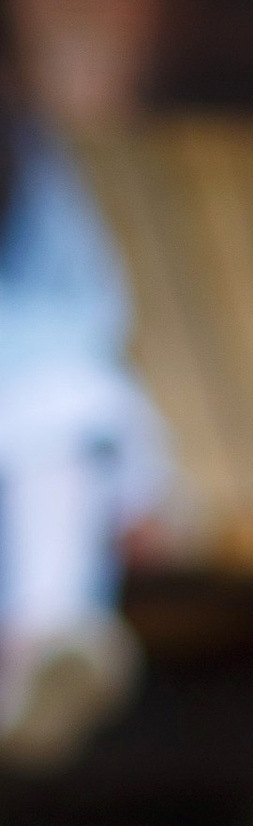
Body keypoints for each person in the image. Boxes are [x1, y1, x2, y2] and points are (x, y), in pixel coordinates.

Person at [0, 62, 165, 768]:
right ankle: (42, 642)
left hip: (41, 418)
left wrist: (145, 487)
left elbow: (88, 321)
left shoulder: (37, 175)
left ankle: (44, 646)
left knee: (70, 418)